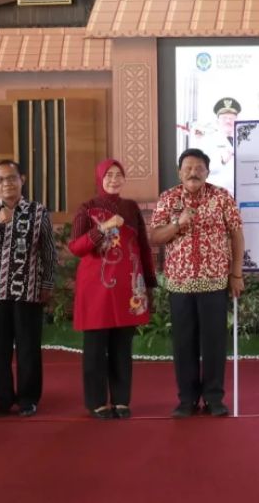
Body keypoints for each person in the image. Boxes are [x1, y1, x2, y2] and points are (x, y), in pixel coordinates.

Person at [150, 148, 245, 419]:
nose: (194, 172)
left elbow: (237, 235)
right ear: (179, 172)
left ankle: (214, 398)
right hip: (180, 284)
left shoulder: (221, 197)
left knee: (214, 343)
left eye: (199, 168)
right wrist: (177, 224)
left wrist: (236, 274)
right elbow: (155, 237)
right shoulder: (168, 198)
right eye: (188, 168)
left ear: (207, 172)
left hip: (214, 282)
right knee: (184, 344)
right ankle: (187, 399)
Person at [68, 159, 155, 420]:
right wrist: (103, 228)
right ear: (99, 178)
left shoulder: (131, 207)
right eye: (109, 175)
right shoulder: (87, 208)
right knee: (95, 348)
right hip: (96, 289)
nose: (114, 180)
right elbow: (76, 247)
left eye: (119, 175)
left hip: (128, 288)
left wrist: (148, 282)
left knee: (122, 347)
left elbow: (142, 245)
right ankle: (96, 402)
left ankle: (121, 400)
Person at [0, 160, 56, 418]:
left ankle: (28, 399)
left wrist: (47, 283)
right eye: (1, 179)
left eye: (11, 178)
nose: (6, 183)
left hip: (28, 289)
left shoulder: (38, 212)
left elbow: (49, 252)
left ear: (22, 180)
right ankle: (0, 400)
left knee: (28, 347)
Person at [198, 97, 240, 192]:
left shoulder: (244, 140)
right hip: (216, 193)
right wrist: (221, 161)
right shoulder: (207, 140)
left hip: (240, 193)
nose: (228, 121)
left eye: (231, 118)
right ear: (217, 121)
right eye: (224, 118)